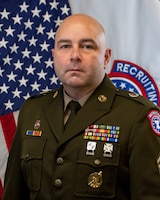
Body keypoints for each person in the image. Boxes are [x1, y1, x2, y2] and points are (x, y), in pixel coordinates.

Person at [2, 14, 160, 200]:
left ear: (106, 57)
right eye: (65, 46)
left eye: (87, 46)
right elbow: (14, 193)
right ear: (54, 54)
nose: (74, 56)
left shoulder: (137, 115)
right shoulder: (32, 109)